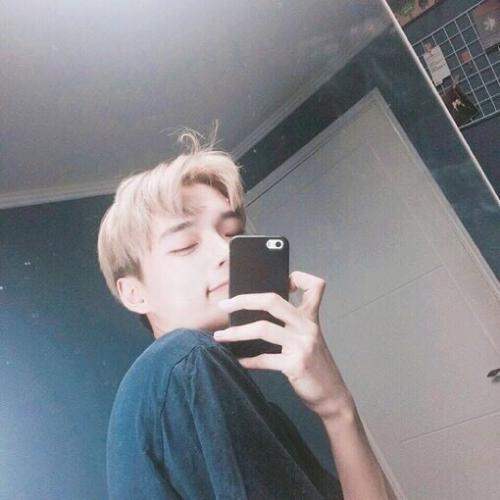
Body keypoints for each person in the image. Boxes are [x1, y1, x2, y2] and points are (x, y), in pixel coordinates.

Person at [97, 130, 397, 499]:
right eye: (185, 245)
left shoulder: (226, 390)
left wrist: (336, 407)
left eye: (232, 234)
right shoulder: (189, 357)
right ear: (134, 293)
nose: (226, 252)